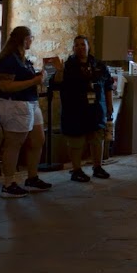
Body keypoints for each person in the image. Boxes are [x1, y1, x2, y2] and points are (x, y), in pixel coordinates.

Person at [0, 25, 53, 198]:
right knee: (14, 143)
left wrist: (42, 76)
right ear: (25, 39)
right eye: (31, 38)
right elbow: (5, 85)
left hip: (30, 103)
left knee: (37, 140)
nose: (31, 41)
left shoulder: (22, 59)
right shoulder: (9, 59)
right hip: (15, 105)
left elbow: (28, 78)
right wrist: (34, 81)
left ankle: (32, 177)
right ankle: (8, 184)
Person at [57, 35, 114, 181]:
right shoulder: (67, 66)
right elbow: (56, 84)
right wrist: (59, 71)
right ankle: (76, 170)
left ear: (88, 46)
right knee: (76, 140)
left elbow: (108, 86)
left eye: (83, 44)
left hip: (95, 109)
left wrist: (109, 105)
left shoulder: (99, 65)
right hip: (74, 110)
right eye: (77, 45)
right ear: (73, 48)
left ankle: (97, 167)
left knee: (97, 138)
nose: (80, 48)